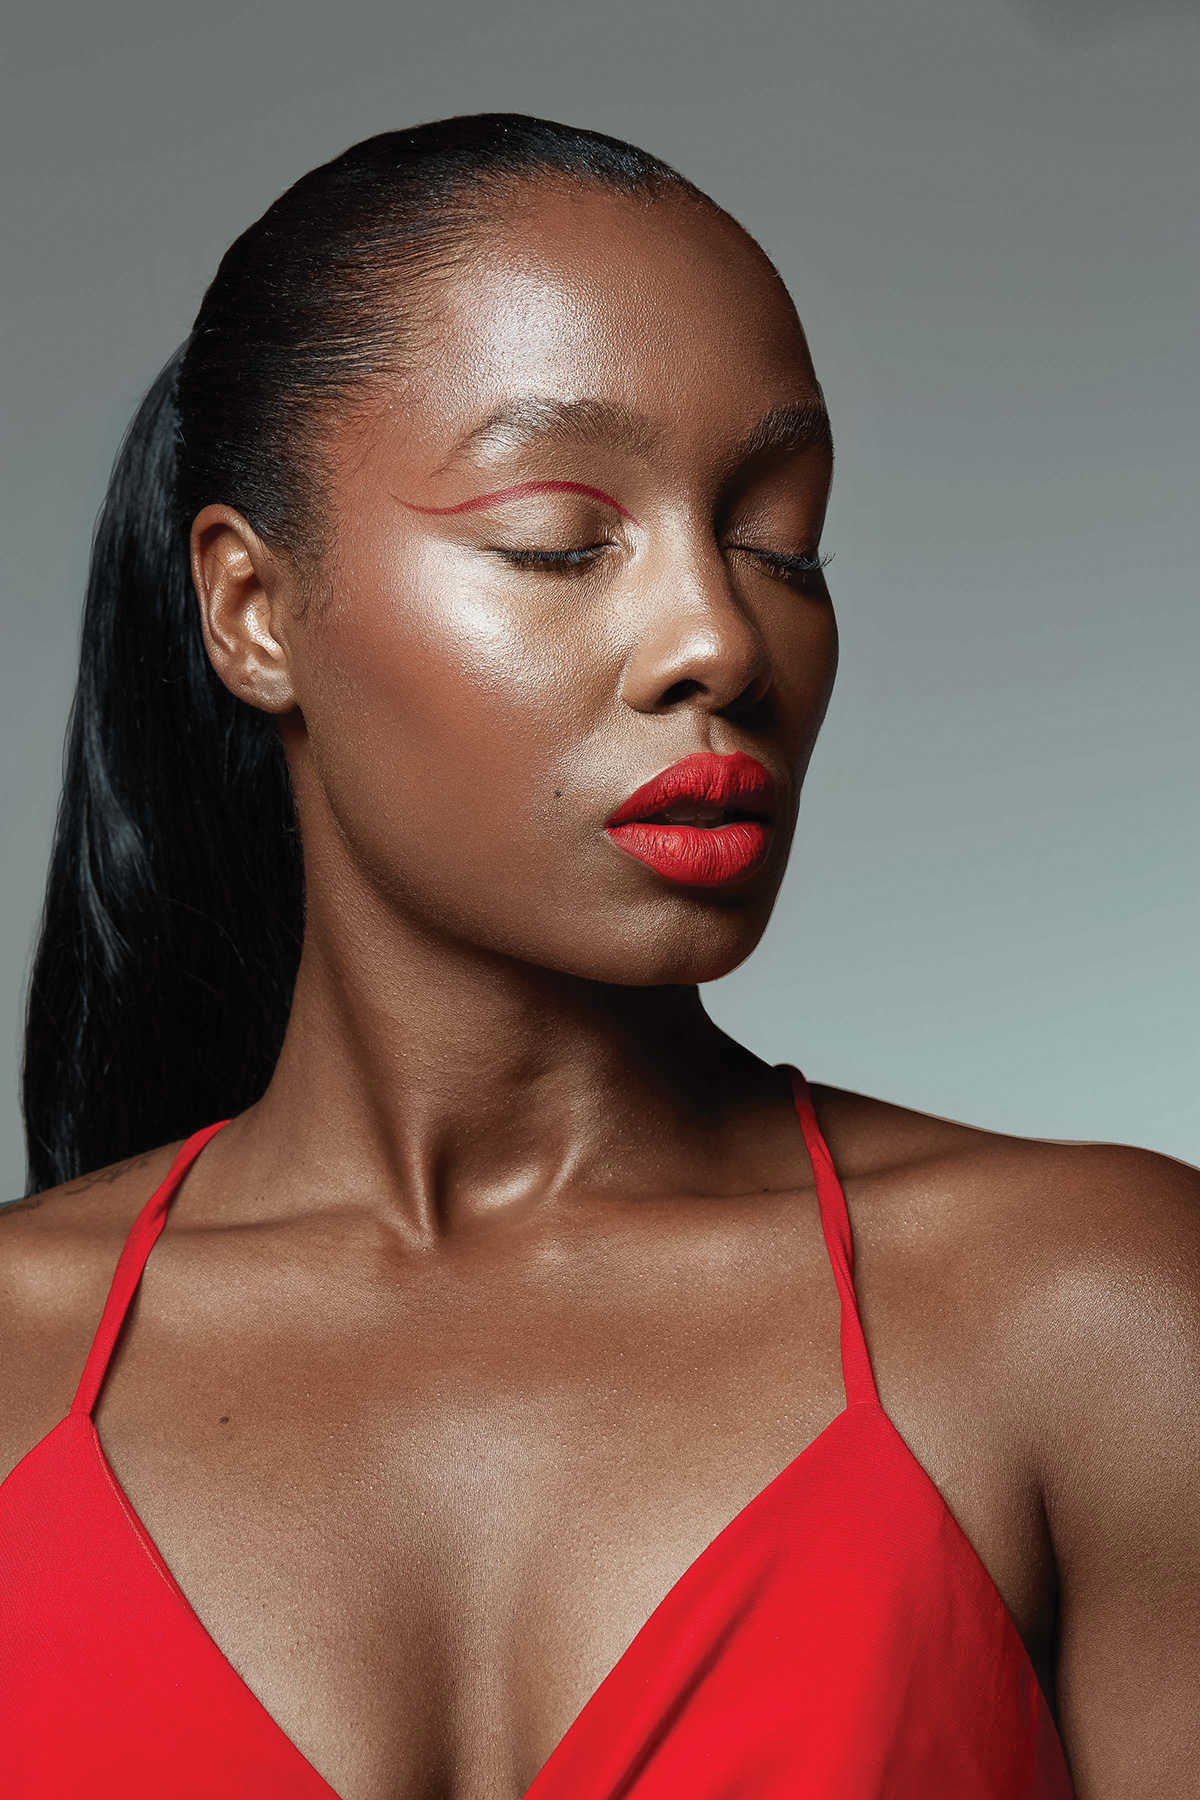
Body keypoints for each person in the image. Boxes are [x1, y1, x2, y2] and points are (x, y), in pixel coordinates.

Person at [0, 113, 1196, 1800]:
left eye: (781, 539)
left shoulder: (1103, 1323)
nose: (720, 635)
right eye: (564, 539)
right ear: (254, 613)